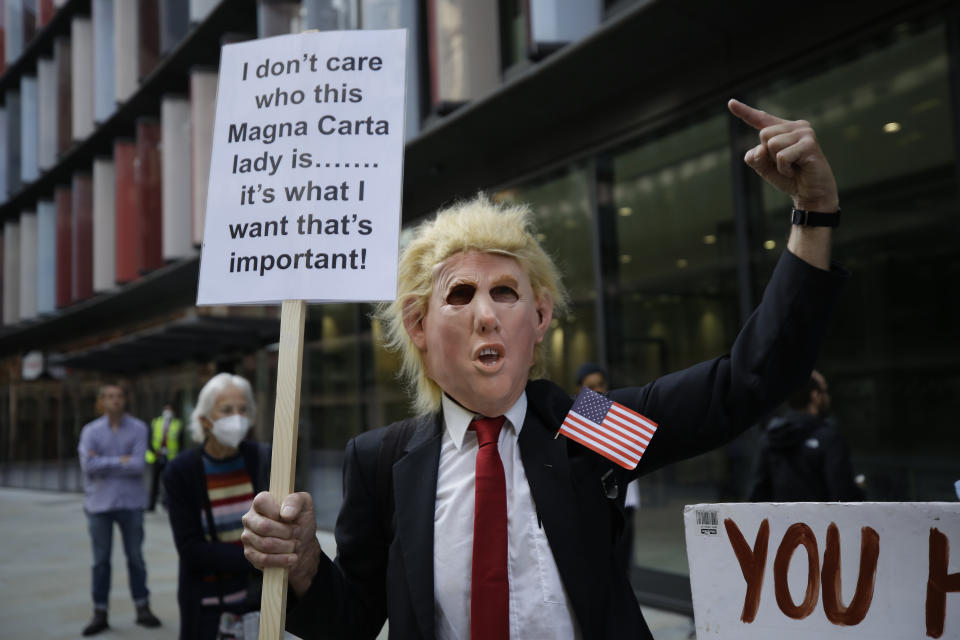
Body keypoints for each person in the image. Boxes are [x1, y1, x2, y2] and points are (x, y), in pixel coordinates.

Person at [240, 99, 848, 639]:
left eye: (505, 292)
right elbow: (349, 623)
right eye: (459, 295)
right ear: (419, 326)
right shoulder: (382, 462)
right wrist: (304, 567)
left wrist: (813, 213)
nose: (486, 315)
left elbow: (747, 382)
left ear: (540, 316)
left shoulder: (586, 425)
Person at [163, 373, 270, 639]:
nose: (237, 417)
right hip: (209, 607)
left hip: (260, 601)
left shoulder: (261, 458)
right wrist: (258, 558)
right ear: (204, 420)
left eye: (243, 409)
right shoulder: (181, 471)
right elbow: (191, 550)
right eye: (226, 410)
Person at [77, 383, 162, 636]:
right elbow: (88, 465)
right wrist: (120, 460)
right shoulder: (90, 431)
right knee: (100, 562)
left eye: (119, 396)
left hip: (130, 504)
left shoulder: (138, 428)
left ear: (125, 400)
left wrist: (105, 462)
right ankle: (100, 612)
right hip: (99, 505)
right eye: (109, 396)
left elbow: (137, 465)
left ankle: (142, 607)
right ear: (101, 401)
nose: (114, 400)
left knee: (135, 558)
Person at [748, 370, 864, 502]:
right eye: (824, 391)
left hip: (782, 522)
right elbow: (843, 497)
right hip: (822, 522)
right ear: (815, 396)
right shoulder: (830, 439)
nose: (828, 398)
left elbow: (758, 496)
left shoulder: (770, 438)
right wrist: (857, 490)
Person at [575, 362, 642, 575]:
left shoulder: (620, 412)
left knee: (622, 567)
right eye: (591, 386)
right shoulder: (577, 418)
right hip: (595, 505)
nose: (597, 391)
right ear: (580, 390)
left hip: (625, 502)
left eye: (600, 385)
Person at [146, 402, 184, 511]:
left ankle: (166, 503)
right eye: (166, 409)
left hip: (170, 457)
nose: (167, 412)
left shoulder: (177, 424)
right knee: (154, 482)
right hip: (156, 456)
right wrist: (154, 451)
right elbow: (149, 439)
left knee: (168, 481)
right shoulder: (156, 422)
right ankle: (151, 504)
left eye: (170, 410)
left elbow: (181, 443)